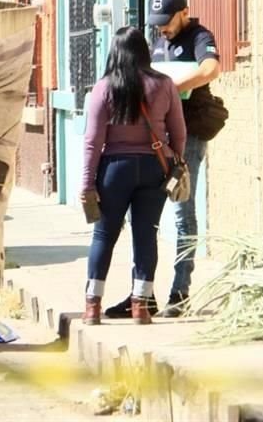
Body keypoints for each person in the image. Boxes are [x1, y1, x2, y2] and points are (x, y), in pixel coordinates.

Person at [104, 0, 223, 320]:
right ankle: (141, 295)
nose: (162, 29)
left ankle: (180, 291)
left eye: (167, 22)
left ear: (184, 12)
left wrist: (172, 89)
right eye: (157, 24)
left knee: (183, 212)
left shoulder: (199, 37)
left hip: (190, 134)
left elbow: (211, 69)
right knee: (143, 216)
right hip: (156, 139)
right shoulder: (156, 43)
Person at [80, 27, 186, 326]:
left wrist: (87, 182)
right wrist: (174, 162)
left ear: (114, 52)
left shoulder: (104, 88)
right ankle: (140, 306)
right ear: (144, 51)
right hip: (155, 166)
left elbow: (92, 140)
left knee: (104, 234)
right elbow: (179, 132)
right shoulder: (164, 85)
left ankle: (92, 306)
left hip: (114, 168)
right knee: (146, 233)